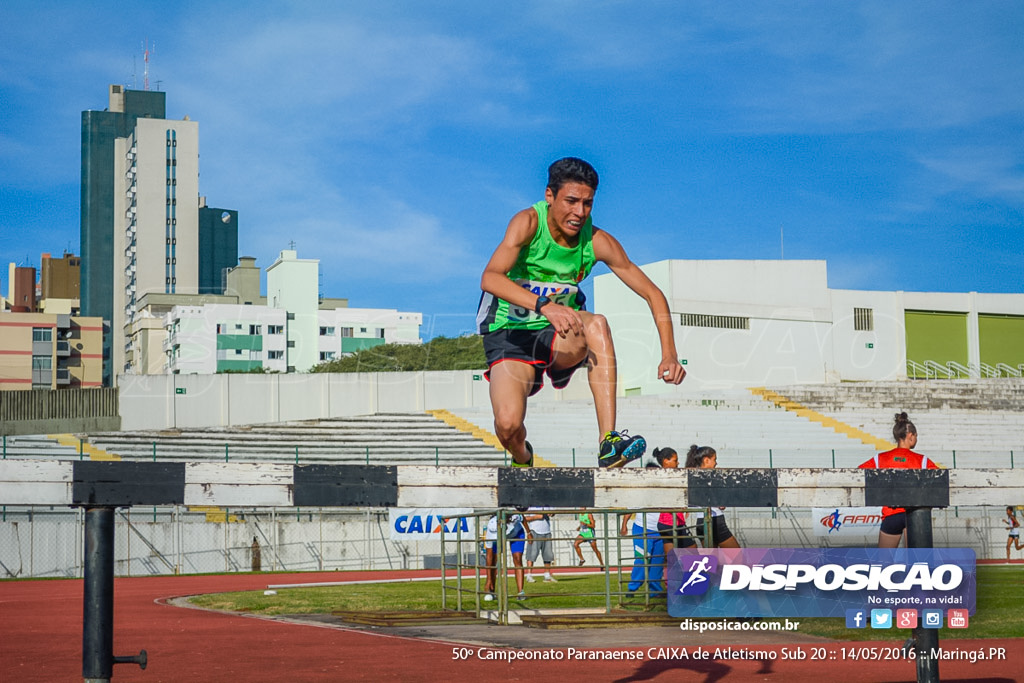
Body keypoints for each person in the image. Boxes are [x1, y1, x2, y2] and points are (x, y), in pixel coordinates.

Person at [478, 157, 686, 468]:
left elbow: (653, 293)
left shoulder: (596, 241)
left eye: (587, 203)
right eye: (571, 201)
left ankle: (608, 443)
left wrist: (670, 353)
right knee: (507, 425)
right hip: (511, 336)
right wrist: (545, 306)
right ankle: (523, 458)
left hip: (562, 337)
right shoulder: (528, 224)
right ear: (550, 196)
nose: (579, 212)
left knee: (598, 323)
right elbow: (490, 277)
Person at [858, 412, 941, 548]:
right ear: (910, 436)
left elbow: (858, 474)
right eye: (916, 436)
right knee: (916, 562)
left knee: (884, 563)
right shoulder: (922, 460)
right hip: (913, 514)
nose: (916, 439)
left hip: (890, 514)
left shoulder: (881, 459)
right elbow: (941, 479)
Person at [619, 455, 671, 596]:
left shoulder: (664, 491)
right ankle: (632, 587)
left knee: (657, 561)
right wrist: (624, 526)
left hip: (660, 530)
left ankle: (655, 590)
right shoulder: (640, 491)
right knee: (642, 558)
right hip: (642, 529)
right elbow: (630, 509)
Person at [684, 444, 740, 549]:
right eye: (714, 459)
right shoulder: (711, 476)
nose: (716, 463)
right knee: (738, 557)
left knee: (711, 560)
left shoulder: (691, 476)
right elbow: (720, 503)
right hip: (715, 520)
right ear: (706, 460)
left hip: (700, 522)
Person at [653, 447, 696, 554]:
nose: (678, 463)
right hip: (673, 522)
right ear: (665, 461)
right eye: (675, 460)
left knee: (671, 557)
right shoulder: (666, 477)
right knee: (693, 551)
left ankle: (676, 570)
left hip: (665, 522)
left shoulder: (664, 476)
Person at [483, 511, 529, 601]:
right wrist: (488, 579)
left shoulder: (515, 517)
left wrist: (529, 532)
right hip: (497, 538)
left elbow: (523, 518)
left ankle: (520, 592)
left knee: (517, 559)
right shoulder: (491, 530)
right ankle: (491, 590)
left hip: (516, 534)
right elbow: (489, 557)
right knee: (493, 560)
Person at [524, 510, 557, 582]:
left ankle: (547, 575)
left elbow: (554, 512)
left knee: (548, 554)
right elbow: (525, 518)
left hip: (547, 531)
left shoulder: (548, 504)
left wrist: (551, 513)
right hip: (535, 531)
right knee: (532, 554)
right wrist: (537, 517)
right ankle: (529, 575)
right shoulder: (531, 506)